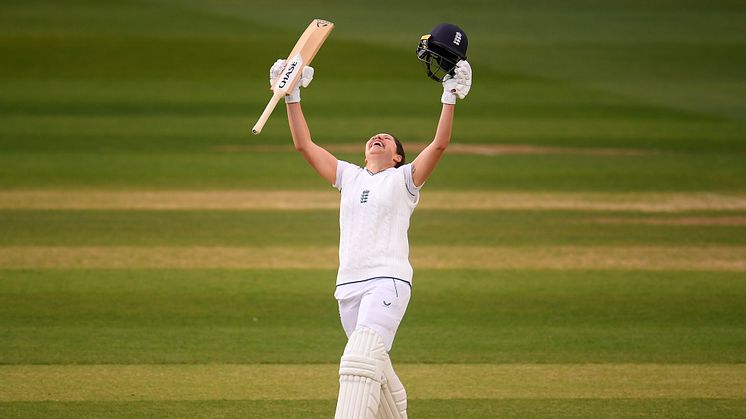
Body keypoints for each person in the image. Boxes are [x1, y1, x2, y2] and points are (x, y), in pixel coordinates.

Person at [270, 23, 471, 419]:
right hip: (347, 289)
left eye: (387, 139)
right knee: (378, 384)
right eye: (373, 138)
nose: (377, 139)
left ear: (398, 156)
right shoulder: (350, 177)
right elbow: (304, 145)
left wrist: (449, 96)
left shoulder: (405, 180)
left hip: (387, 281)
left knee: (357, 364)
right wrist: (291, 93)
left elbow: (440, 145)